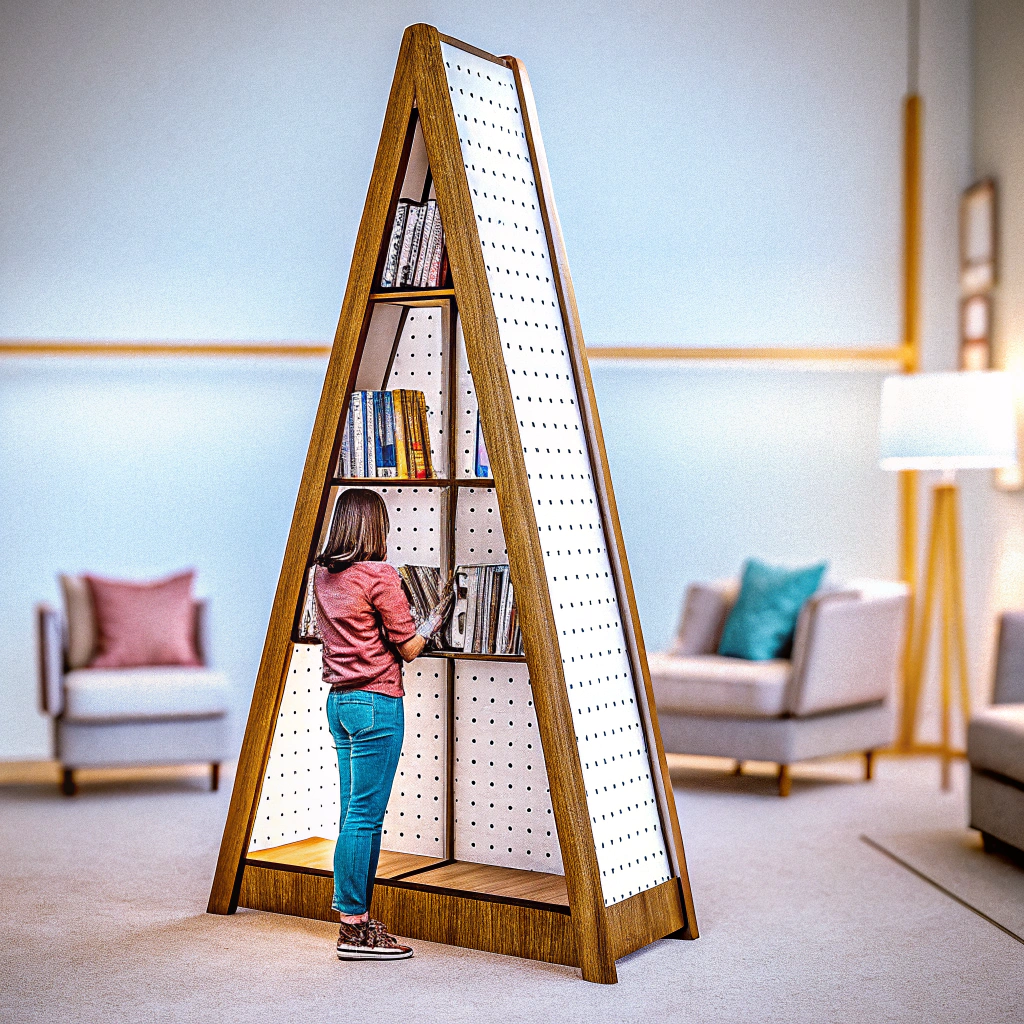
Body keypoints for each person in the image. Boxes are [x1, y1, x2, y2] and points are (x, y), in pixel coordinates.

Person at [312, 488, 451, 961]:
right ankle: (353, 928)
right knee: (365, 819)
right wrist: (433, 621)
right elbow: (408, 647)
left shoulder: (323, 577)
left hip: (340, 703)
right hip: (376, 704)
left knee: (353, 814)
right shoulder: (379, 575)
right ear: (377, 527)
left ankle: (359, 921)